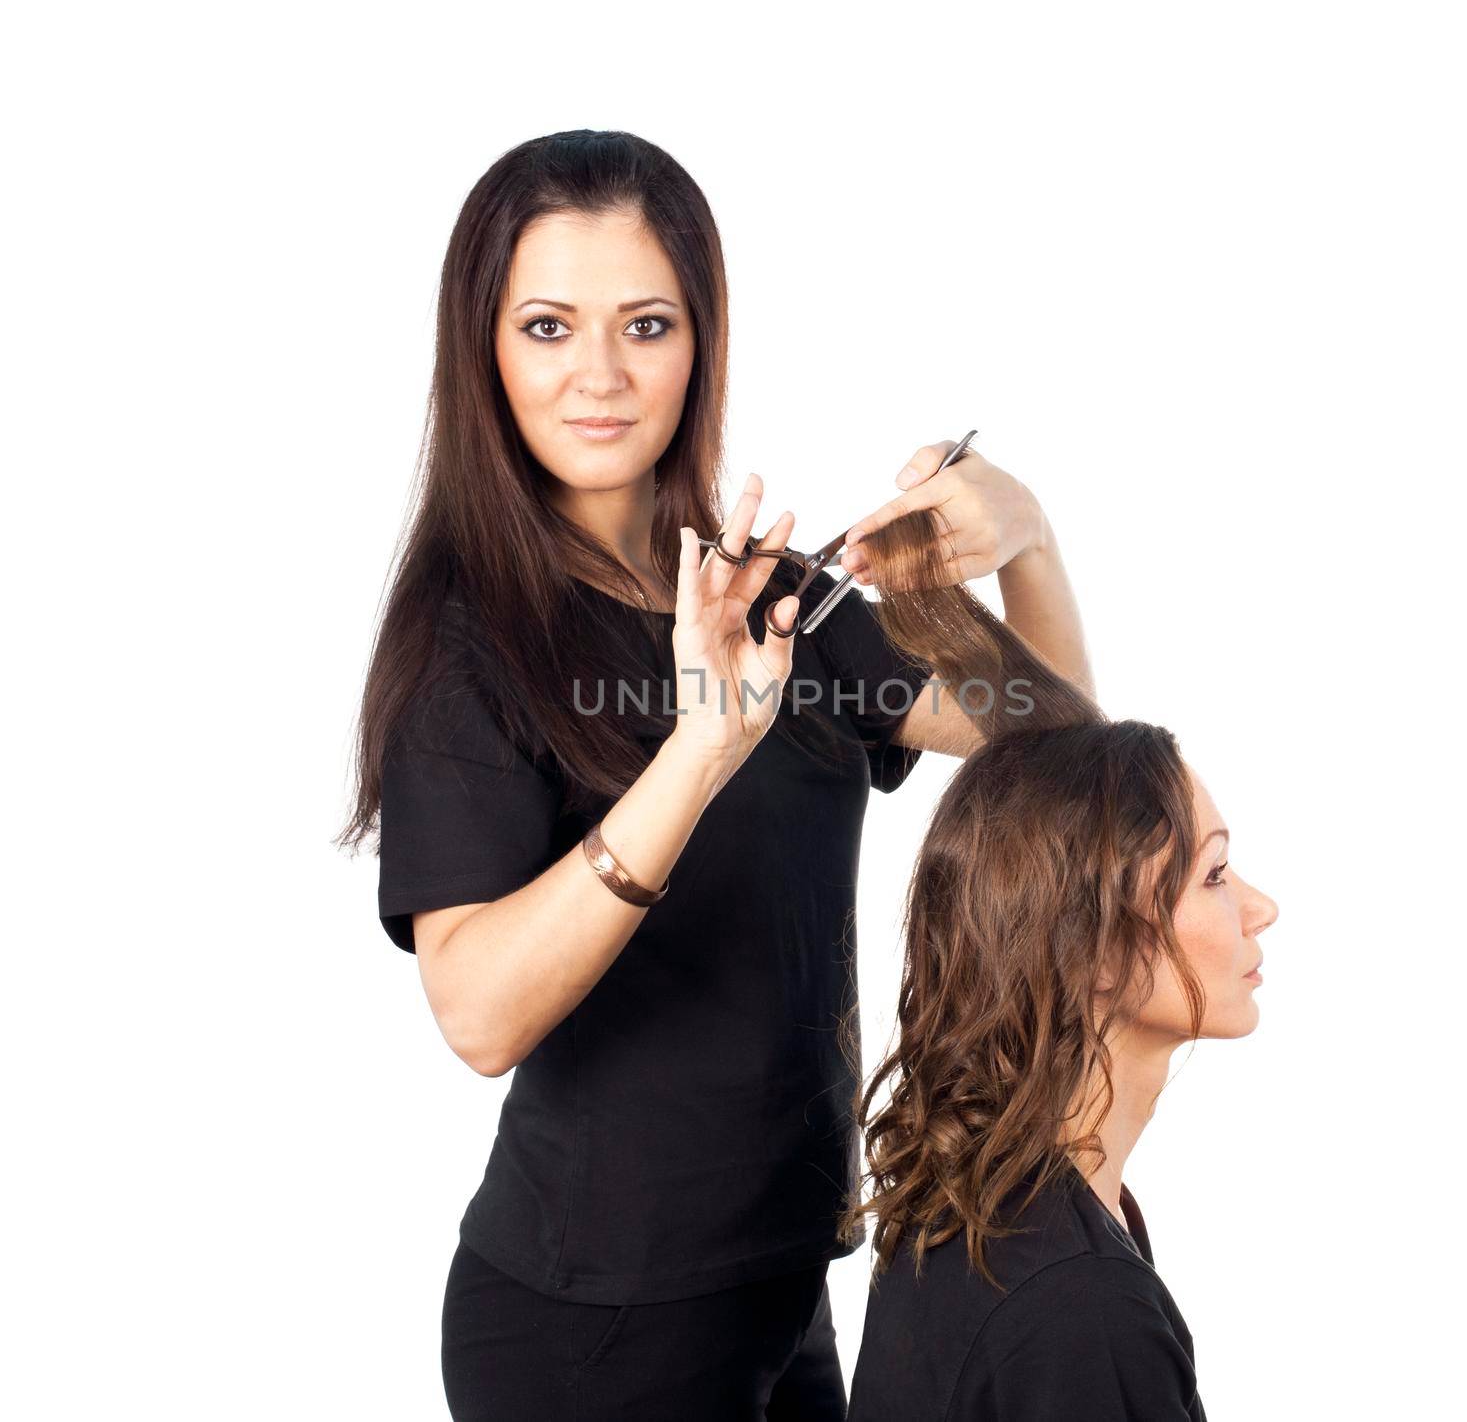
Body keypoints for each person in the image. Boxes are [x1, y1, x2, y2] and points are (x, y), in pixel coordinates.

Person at [335, 129, 1093, 1419]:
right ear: (484, 349)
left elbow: (1066, 749)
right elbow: (477, 1015)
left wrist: (1022, 537)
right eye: (546, 326)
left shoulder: (773, 593)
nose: (600, 377)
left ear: (701, 338)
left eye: (645, 324)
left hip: (791, 1279)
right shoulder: (470, 645)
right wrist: (698, 748)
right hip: (591, 1326)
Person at [838, 514, 1281, 1420]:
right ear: (1091, 952)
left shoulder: (993, 1200)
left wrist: (1029, 538)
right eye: (1216, 874)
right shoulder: (1080, 1307)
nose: (1260, 907)